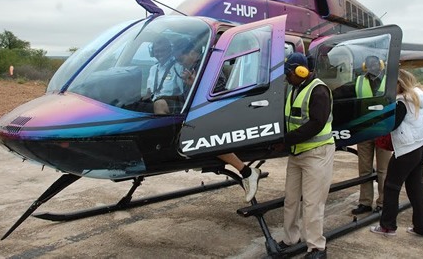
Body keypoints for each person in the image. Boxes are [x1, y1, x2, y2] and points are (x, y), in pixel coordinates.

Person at [173, 39, 260, 202]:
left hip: (218, 114)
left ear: (192, 53)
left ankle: (247, 172)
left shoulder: (207, 65)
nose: (181, 63)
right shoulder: (192, 68)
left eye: (182, 59)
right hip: (200, 115)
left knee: (208, 139)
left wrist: (194, 85)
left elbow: (218, 92)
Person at [273, 52, 335, 259]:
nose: (287, 78)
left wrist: (286, 140)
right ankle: (291, 238)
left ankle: (317, 247)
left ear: (301, 71)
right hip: (297, 153)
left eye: (288, 74)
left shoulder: (318, 91)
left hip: (317, 153)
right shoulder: (295, 89)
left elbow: (316, 124)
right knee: (291, 199)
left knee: (312, 203)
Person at [370, 69, 423, 237]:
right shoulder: (417, 98)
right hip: (421, 148)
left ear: (400, 84)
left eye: (393, 84)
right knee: (416, 189)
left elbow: (392, 125)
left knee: (391, 187)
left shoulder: (402, 102)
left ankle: (387, 226)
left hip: (406, 150)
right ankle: (422, 228)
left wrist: (377, 118)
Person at [351, 55, 392, 215]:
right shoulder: (359, 81)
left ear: (381, 65)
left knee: (383, 170)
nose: (373, 67)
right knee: (364, 170)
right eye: (369, 65)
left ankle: (383, 202)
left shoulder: (390, 80)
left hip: (383, 131)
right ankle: (365, 203)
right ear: (364, 67)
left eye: (375, 64)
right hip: (365, 131)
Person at [143, 37, 185, 114]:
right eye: (156, 51)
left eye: (163, 50)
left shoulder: (178, 68)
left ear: (170, 50)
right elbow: (149, 92)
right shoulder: (153, 69)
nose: (159, 54)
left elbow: (184, 95)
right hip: (153, 103)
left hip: (168, 107)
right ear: (152, 52)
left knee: (159, 105)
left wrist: (163, 98)